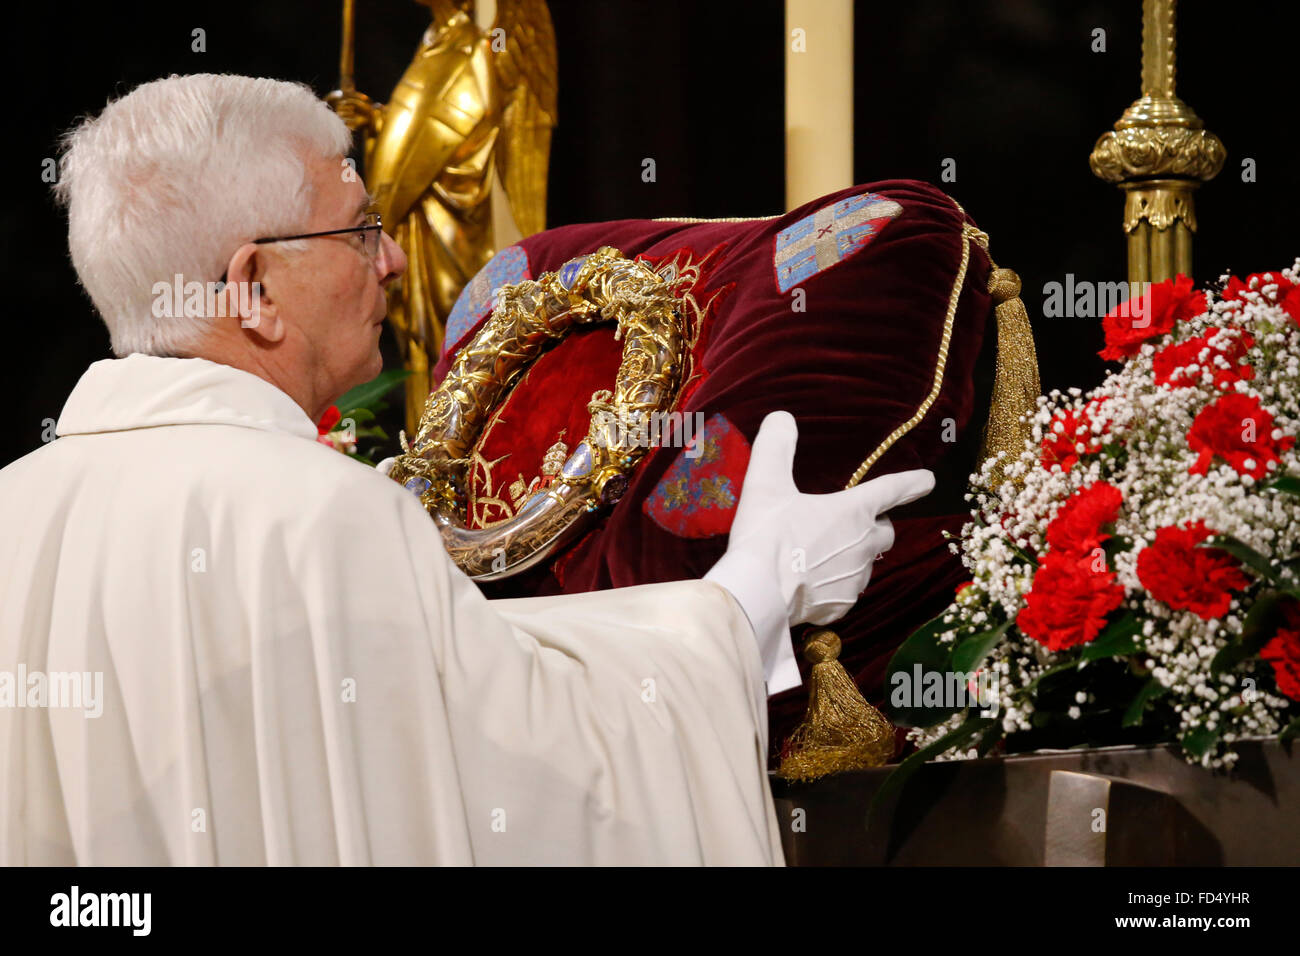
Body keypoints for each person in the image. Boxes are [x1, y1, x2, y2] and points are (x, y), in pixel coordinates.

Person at [0, 74, 933, 865]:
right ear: (253, 289)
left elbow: (468, 696)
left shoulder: (18, 509)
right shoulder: (317, 515)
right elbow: (522, 779)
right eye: (361, 230)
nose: (397, 261)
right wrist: (756, 591)